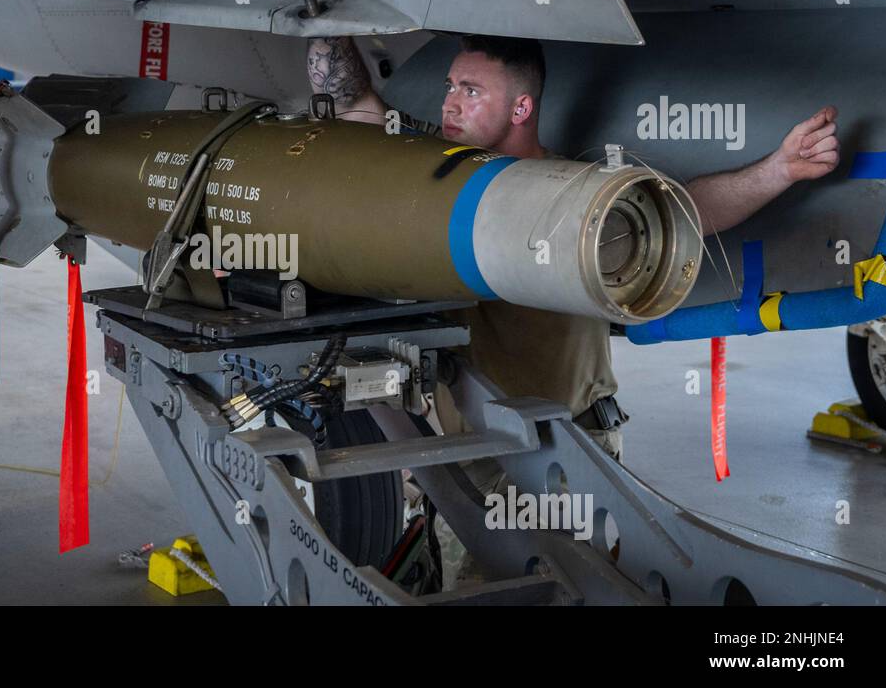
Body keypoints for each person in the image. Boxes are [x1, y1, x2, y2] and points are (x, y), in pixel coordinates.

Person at [308, 33, 840, 584]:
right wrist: (320, 6)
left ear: (521, 108)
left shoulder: (576, 195)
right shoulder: (439, 170)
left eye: (470, 90)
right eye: (450, 86)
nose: (449, 102)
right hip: (469, 454)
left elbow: (689, 210)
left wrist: (779, 169)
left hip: (559, 458)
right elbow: (352, 103)